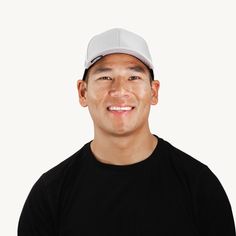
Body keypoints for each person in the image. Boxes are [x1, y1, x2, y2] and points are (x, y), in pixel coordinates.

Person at [18, 28, 236, 236]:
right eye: (105, 77)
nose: (120, 90)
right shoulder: (50, 195)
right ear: (82, 92)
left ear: (153, 91)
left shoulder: (199, 186)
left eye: (134, 77)